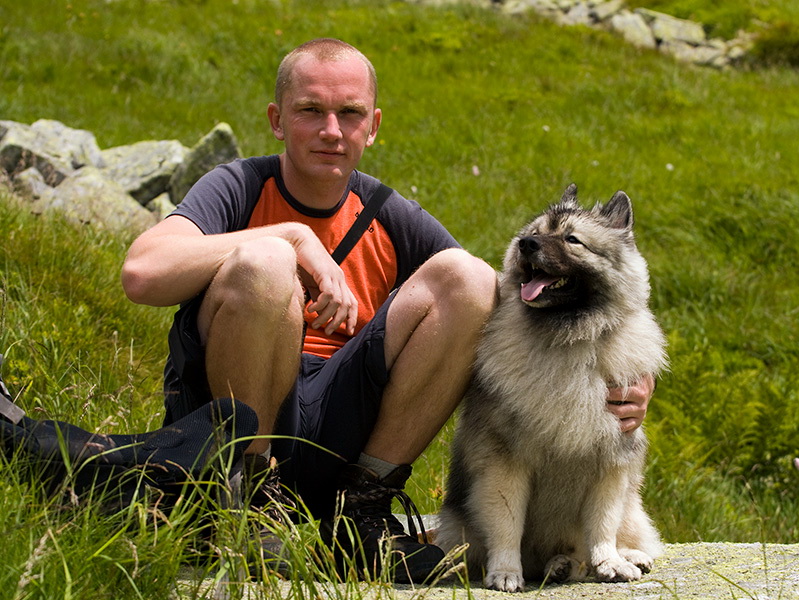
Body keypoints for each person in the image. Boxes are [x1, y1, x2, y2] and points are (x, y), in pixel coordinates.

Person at [120, 38, 653, 582]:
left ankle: (362, 513)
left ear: (372, 126)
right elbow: (142, 273)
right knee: (262, 262)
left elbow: (506, 300)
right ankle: (247, 506)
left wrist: (623, 376)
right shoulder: (237, 186)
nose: (332, 130)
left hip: (341, 431)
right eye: (310, 111)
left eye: (349, 113)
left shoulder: (388, 214)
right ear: (277, 120)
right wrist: (292, 238)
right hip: (239, 430)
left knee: (467, 276)